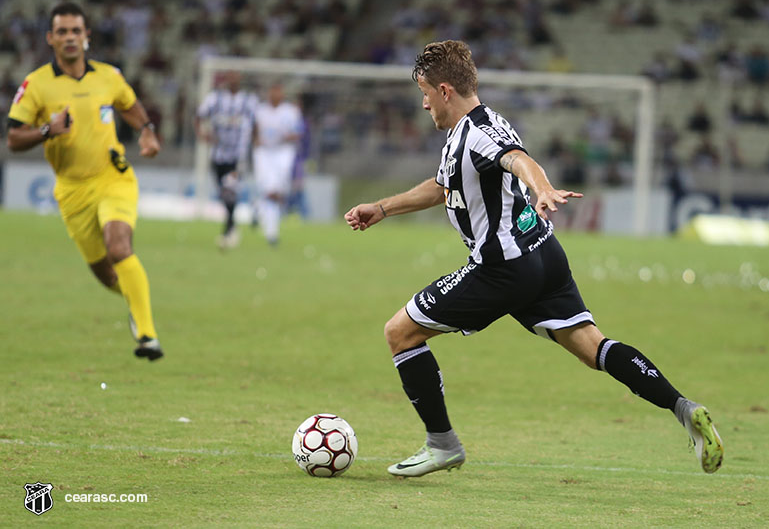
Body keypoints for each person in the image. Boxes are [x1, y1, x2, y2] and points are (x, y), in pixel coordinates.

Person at [344, 40, 723, 478]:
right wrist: (384, 208)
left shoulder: (479, 133)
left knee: (400, 333)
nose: (424, 103)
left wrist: (541, 187)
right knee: (593, 347)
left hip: (502, 269)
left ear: (445, 90)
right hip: (544, 256)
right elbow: (443, 185)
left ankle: (442, 444)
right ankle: (683, 407)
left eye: (425, 93)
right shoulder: (472, 130)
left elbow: (520, 161)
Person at [6, 3, 163, 361]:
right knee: (105, 273)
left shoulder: (108, 76)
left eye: (76, 31)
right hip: (72, 190)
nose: (70, 38)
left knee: (119, 246)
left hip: (113, 177)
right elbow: (13, 138)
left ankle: (148, 335)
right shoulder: (36, 84)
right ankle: (134, 304)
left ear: (87, 36)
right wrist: (48, 130)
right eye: (62, 32)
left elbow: (130, 103)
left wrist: (148, 131)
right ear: (50, 39)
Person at [195, 71, 257, 250]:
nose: (232, 80)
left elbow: (256, 123)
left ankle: (228, 230)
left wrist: (255, 141)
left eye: (235, 77)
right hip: (218, 155)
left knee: (230, 191)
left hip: (237, 157)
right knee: (223, 193)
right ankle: (232, 226)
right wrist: (202, 134)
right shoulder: (215, 99)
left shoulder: (248, 101)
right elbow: (199, 115)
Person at [252, 83, 303, 246]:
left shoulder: (291, 111)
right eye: (273, 91)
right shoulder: (260, 111)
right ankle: (272, 233)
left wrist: (287, 136)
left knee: (276, 192)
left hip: (283, 153)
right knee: (271, 191)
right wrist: (257, 139)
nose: (275, 94)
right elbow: (253, 131)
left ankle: (258, 209)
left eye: (278, 91)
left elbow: (298, 133)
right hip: (264, 153)